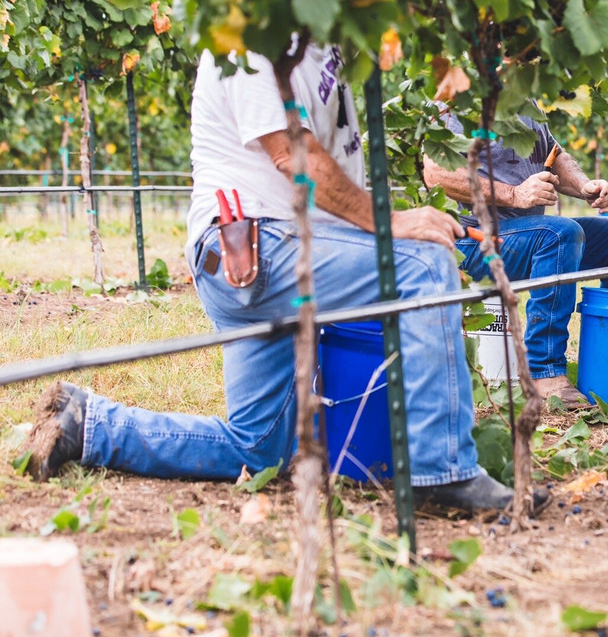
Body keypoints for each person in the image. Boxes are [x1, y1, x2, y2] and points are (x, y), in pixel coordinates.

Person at [26, 43, 548, 515]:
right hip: (253, 248)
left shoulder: (329, 38)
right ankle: (444, 472)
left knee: (258, 448)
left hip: (276, 253)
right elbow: (293, 154)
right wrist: (391, 225)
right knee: (423, 267)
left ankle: (90, 424)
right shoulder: (248, 32)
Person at [424, 113, 608, 408]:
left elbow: (552, 152)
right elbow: (436, 174)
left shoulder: (525, 98)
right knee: (559, 235)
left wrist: (585, 186)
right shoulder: (460, 99)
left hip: (526, 235)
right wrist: (514, 194)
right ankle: (544, 373)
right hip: (472, 240)